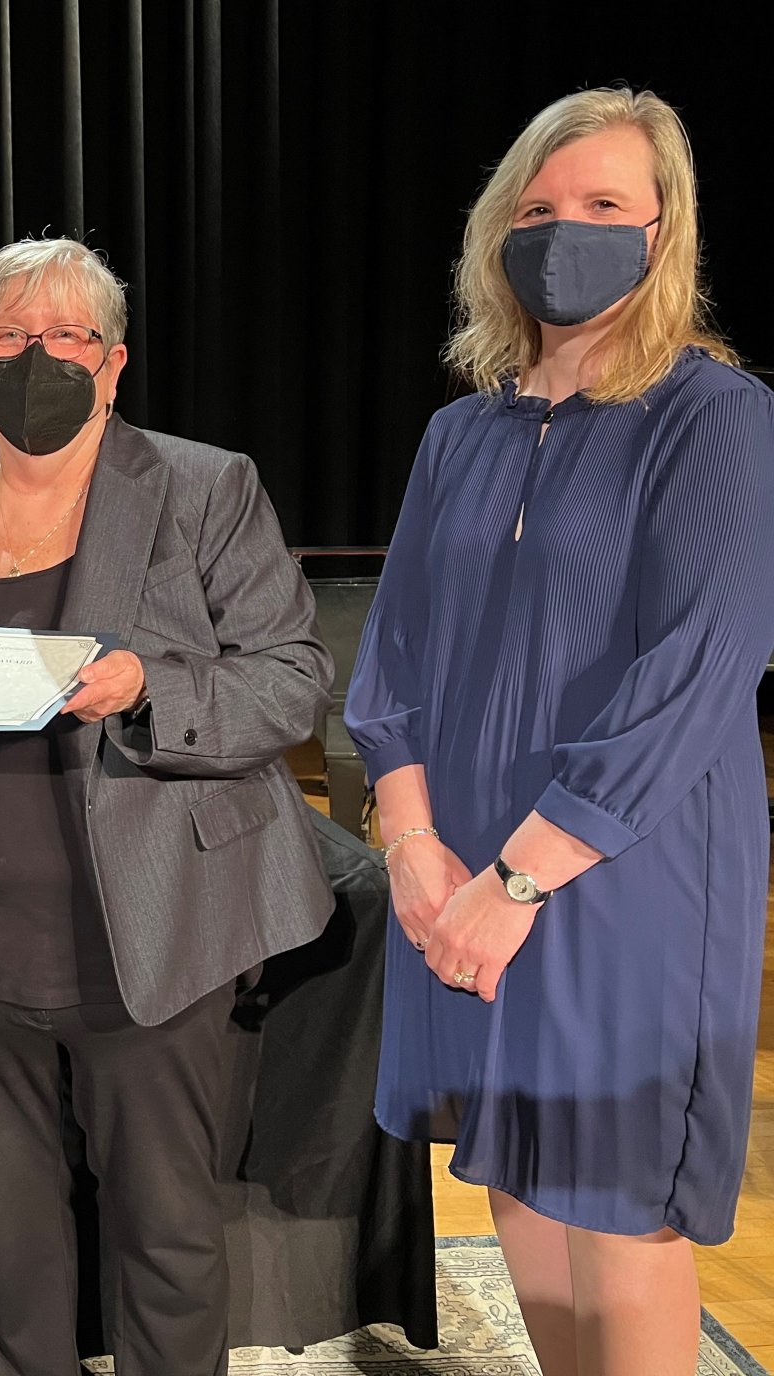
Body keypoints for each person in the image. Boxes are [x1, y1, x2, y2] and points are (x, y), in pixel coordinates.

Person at [0, 237, 334, 1376]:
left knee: (166, 1237)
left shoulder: (204, 487)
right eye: (5, 336)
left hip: (147, 937)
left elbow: (292, 676)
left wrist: (154, 687)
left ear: (114, 360)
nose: (32, 355)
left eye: (64, 336)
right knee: (12, 1244)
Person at [347, 88, 774, 1376]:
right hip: (457, 866)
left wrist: (520, 875)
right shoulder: (457, 433)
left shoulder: (712, 414)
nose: (563, 230)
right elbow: (395, 657)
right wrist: (417, 852)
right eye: (538, 208)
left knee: (617, 1199)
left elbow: (703, 661)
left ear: (663, 232)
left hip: (621, 874)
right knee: (515, 1169)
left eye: (601, 206)